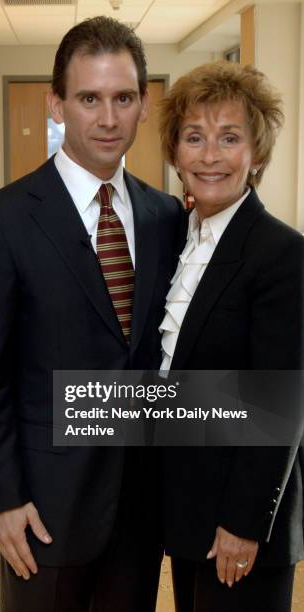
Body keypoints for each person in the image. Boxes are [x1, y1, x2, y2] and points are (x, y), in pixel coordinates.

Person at [0, 15, 183, 612]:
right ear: (56, 104)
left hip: (140, 512)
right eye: (89, 98)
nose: (108, 118)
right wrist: (3, 499)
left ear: (143, 107)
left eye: (123, 98)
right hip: (43, 511)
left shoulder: (168, 217)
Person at [157, 61, 303, 612]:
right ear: (175, 151)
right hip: (189, 499)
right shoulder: (179, 236)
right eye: (194, 137)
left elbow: (279, 404)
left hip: (241, 519)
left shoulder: (281, 253)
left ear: (257, 155)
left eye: (229, 138)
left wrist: (242, 523)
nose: (209, 155)